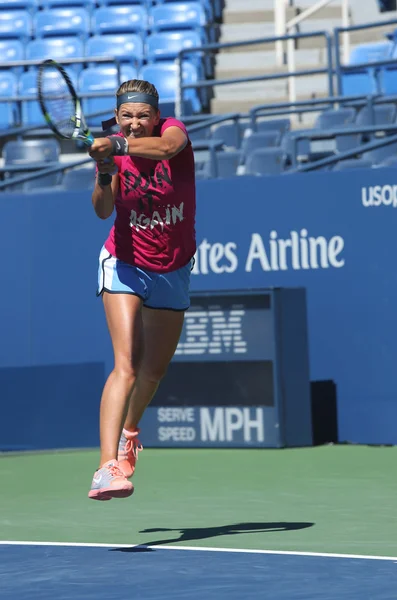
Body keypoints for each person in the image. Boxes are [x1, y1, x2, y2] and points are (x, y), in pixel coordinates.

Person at [87, 79, 196, 501]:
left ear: (156, 115)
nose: (135, 123)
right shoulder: (111, 151)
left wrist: (118, 148)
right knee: (126, 364)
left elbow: (167, 150)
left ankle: (130, 432)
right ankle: (105, 467)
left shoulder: (174, 133)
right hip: (125, 263)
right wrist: (103, 171)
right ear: (117, 117)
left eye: (142, 116)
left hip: (173, 266)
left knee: (154, 370)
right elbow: (101, 211)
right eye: (127, 117)